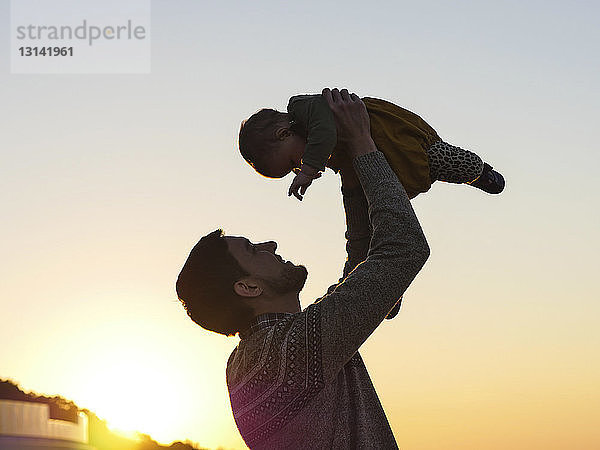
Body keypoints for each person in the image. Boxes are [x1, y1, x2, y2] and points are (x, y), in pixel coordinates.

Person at [176, 88, 430, 448]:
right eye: (252, 249)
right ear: (247, 287)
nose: (270, 245)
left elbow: (364, 276)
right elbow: (404, 250)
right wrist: (361, 144)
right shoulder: (289, 351)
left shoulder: (262, 357)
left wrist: (352, 180)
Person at [239, 90, 505, 201]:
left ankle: (479, 173)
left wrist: (308, 169)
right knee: (369, 216)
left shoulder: (302, 109)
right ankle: (377, 275)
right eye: (295, 171)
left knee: (439, 159)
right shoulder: (326, 154)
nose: (299, 168)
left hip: (390, 134)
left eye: (291, 164)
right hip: (371, 160)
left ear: (284, 133)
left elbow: (325, 130)